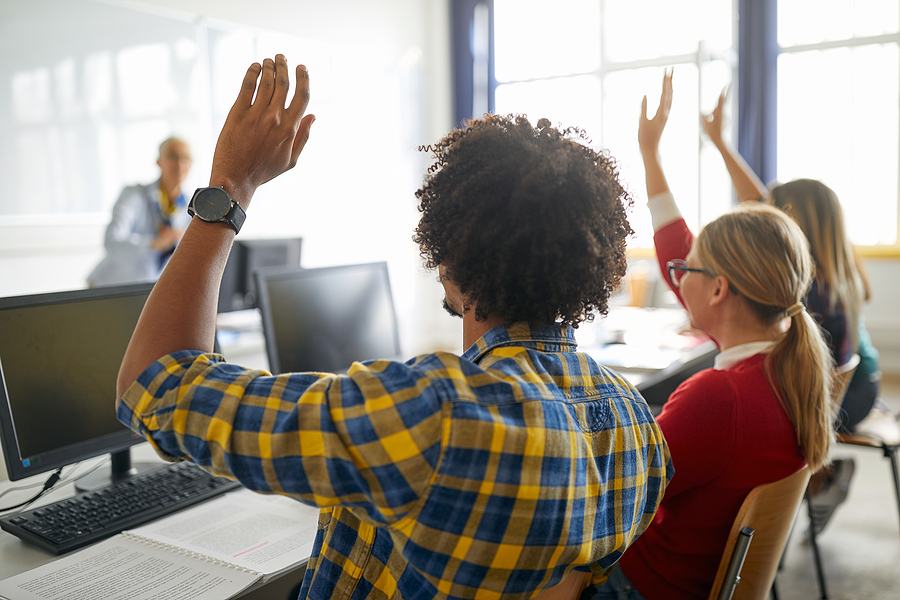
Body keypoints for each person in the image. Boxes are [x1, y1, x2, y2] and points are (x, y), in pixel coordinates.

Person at [114, 55, 672, 600]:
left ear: (450, 250)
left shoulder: (433, 414)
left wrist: (230, 188)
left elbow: (154, 385)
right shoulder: (640, 427)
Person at [586, 70, 835, 600]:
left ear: (719, 290)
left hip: (647, 586)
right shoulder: (786, 367)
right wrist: (650, 154)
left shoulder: (718, 398)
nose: (678, 277)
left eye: (688, 270)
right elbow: (680, 245)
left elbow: (610, 499)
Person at [702, 88, 884, 531]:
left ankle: (811, 484)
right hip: (861, 385)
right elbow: (762, 199)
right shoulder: (837, 270)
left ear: (790, 225)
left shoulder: (813, 290)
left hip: (843, 397)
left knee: (746, 410)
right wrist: (721, 144)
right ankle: (816, 481)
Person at [87, 137, 193, 287]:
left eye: (186, 158)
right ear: (159, 161)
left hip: (147, 291)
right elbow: (111, 242)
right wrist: (154, 244)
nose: (180, 164)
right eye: (173, 156)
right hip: (107, 287)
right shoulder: (133, 195)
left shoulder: (192, 207)